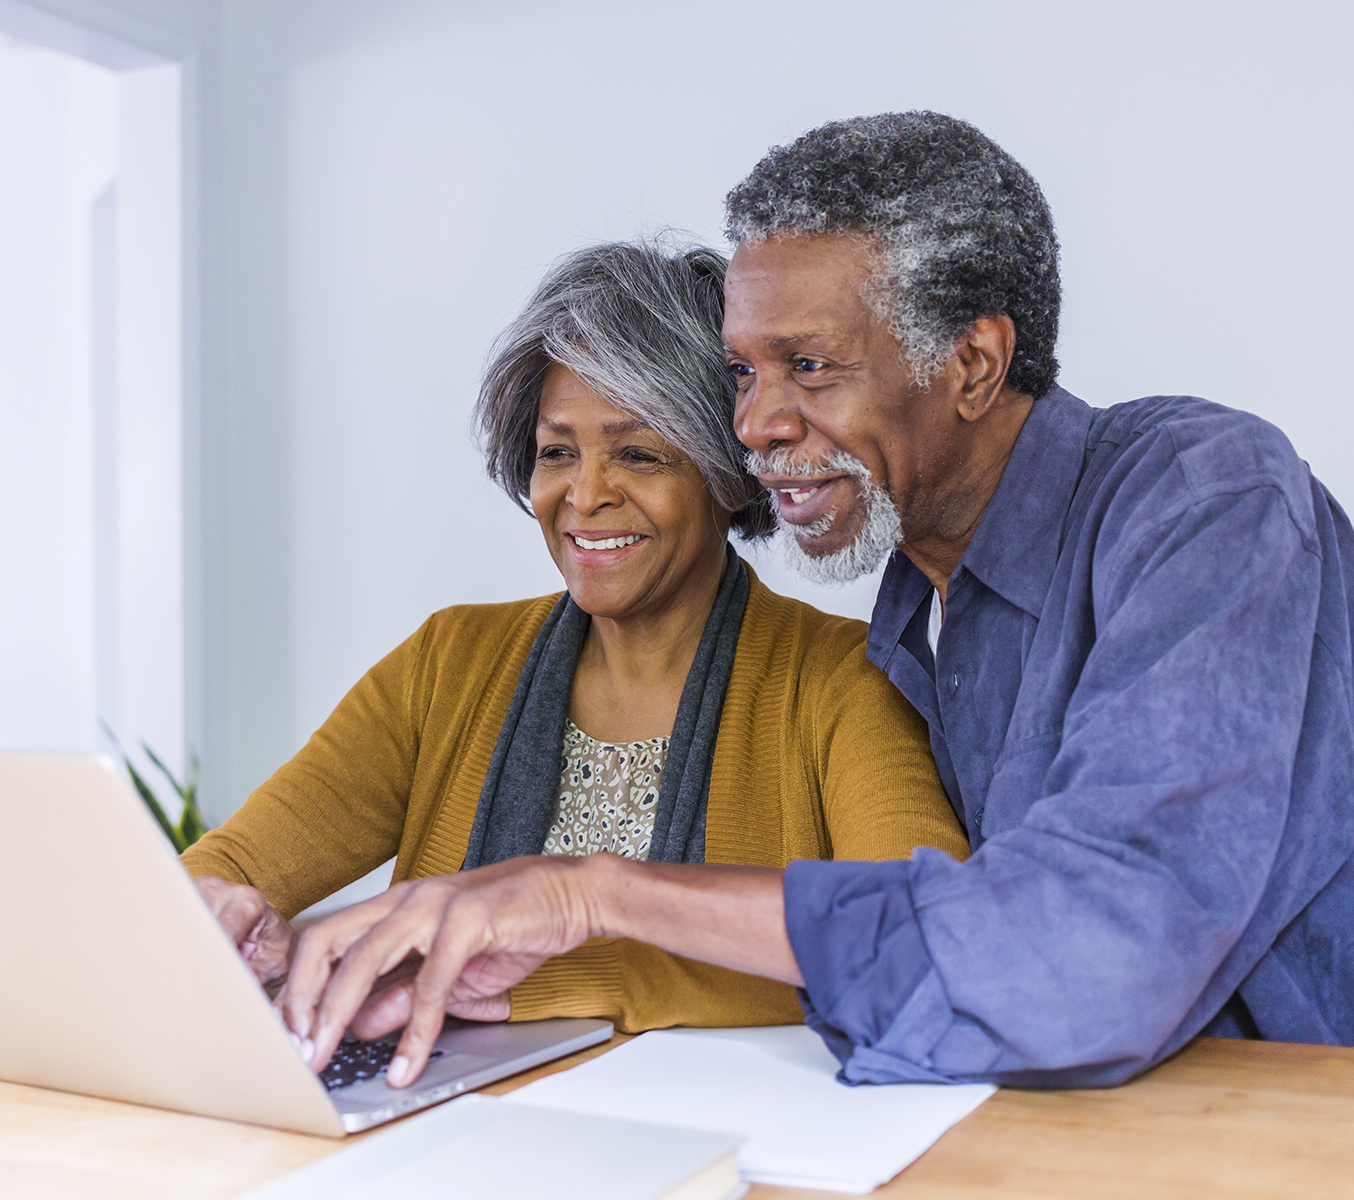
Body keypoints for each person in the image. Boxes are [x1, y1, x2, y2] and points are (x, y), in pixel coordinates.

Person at [279, 113, 1354, 1091]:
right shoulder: (920, 610)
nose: (755, 426)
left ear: (972, 364)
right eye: (745, 373)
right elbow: (945, 958)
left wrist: (591, 895)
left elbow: (1085, 956)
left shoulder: (1205, 499)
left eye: (808, 365)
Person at [183, 239, 968, 1040]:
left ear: (728, 474)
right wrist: (228, 918)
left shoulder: (843, 682)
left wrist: (498, 976)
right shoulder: (447, 664)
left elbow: (921, 943)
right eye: (557, 452)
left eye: (637, 454)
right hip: (445, 1122)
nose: (585, 494)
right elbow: (226, 869)